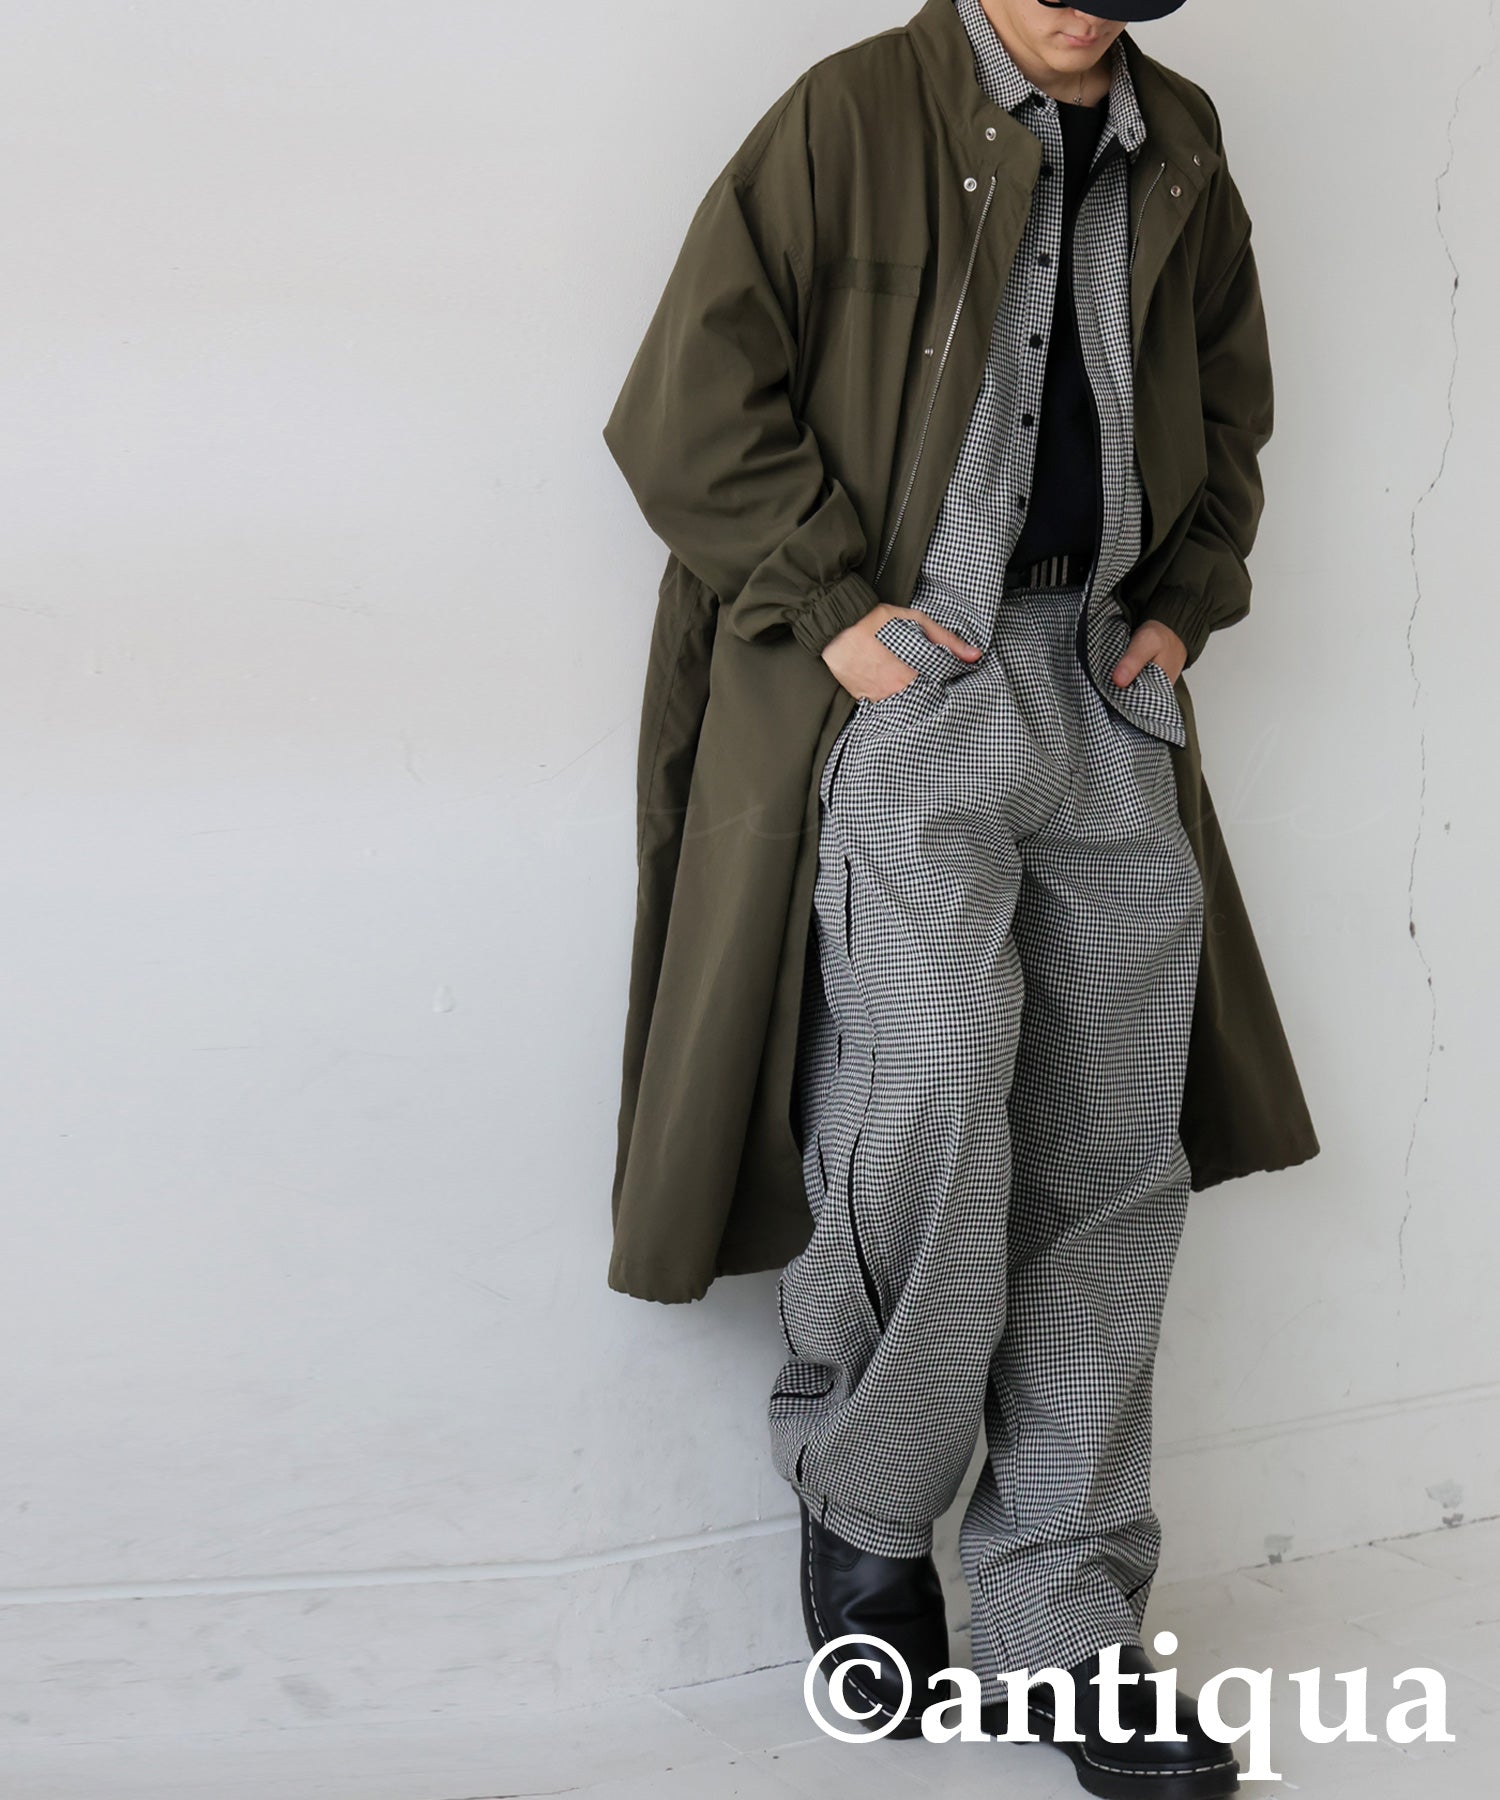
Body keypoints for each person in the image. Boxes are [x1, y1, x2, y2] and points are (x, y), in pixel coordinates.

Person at [602, 2, 1319, 1792]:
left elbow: (1230, 395)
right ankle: (868, 1496)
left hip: (1105, 681)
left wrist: (1188, 599)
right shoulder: (850, 114)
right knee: (923, 1096)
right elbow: (685, 405)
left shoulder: (1181, 139)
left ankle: (1063, 1614)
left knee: (1107, 1152)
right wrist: (836, 612)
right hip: (917, 680)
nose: (1082, 7)